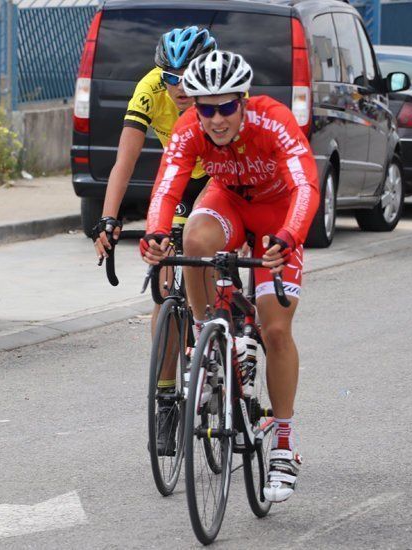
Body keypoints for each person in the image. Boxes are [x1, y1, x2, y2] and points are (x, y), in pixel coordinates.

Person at [139, 50, 319, 503]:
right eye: (205, 108)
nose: (216, 119)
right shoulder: (190, 129)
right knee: (194, 241)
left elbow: (306, 184)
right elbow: (167, 186)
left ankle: (282, 441)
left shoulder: (272, 120)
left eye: (225, 107)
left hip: (278, 214)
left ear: (243, 100)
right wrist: (157, 233)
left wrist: (290, 236)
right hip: (230, 203)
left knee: (276, 329)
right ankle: (208, 340)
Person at [91, 26, 216, 457]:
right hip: (179, 181)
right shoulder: (150, 87)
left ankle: (225, 342)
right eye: (169, 77)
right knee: (164, 297)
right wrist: (108, 218)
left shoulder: (219, 92)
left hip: (220, 181)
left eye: (186, 76)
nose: (178, 86)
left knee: (215, 262)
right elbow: (124, 162)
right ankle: (167, 402)